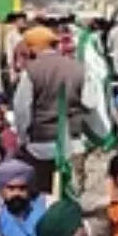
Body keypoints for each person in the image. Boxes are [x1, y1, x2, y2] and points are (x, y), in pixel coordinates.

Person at [12, 25, 92, 195]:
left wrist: (23, 138)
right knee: (72, 195)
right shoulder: (78, 68)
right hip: (73, 143)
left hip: (41, 146)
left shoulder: (31, 71)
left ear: (33, 47)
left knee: (44, 195)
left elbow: (22, 109)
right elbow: (89, 103)